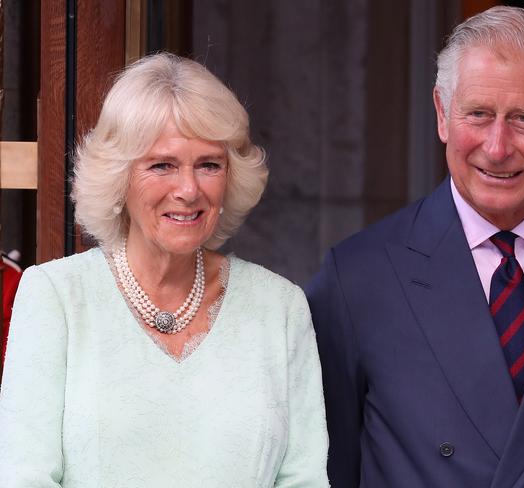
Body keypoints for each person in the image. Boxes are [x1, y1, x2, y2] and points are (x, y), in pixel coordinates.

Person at [307, 6, 524, 487]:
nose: (496, 146)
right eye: (478, 114)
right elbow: (326, 470)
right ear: (443, 115)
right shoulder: (357, 278)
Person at [0, 52, 329, 487]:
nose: (188, 189)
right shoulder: (54, 297)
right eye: (162, 165)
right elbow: (26, 477)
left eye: (208, 165)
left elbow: (304, 479)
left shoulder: (280, 308)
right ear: (119, 176)